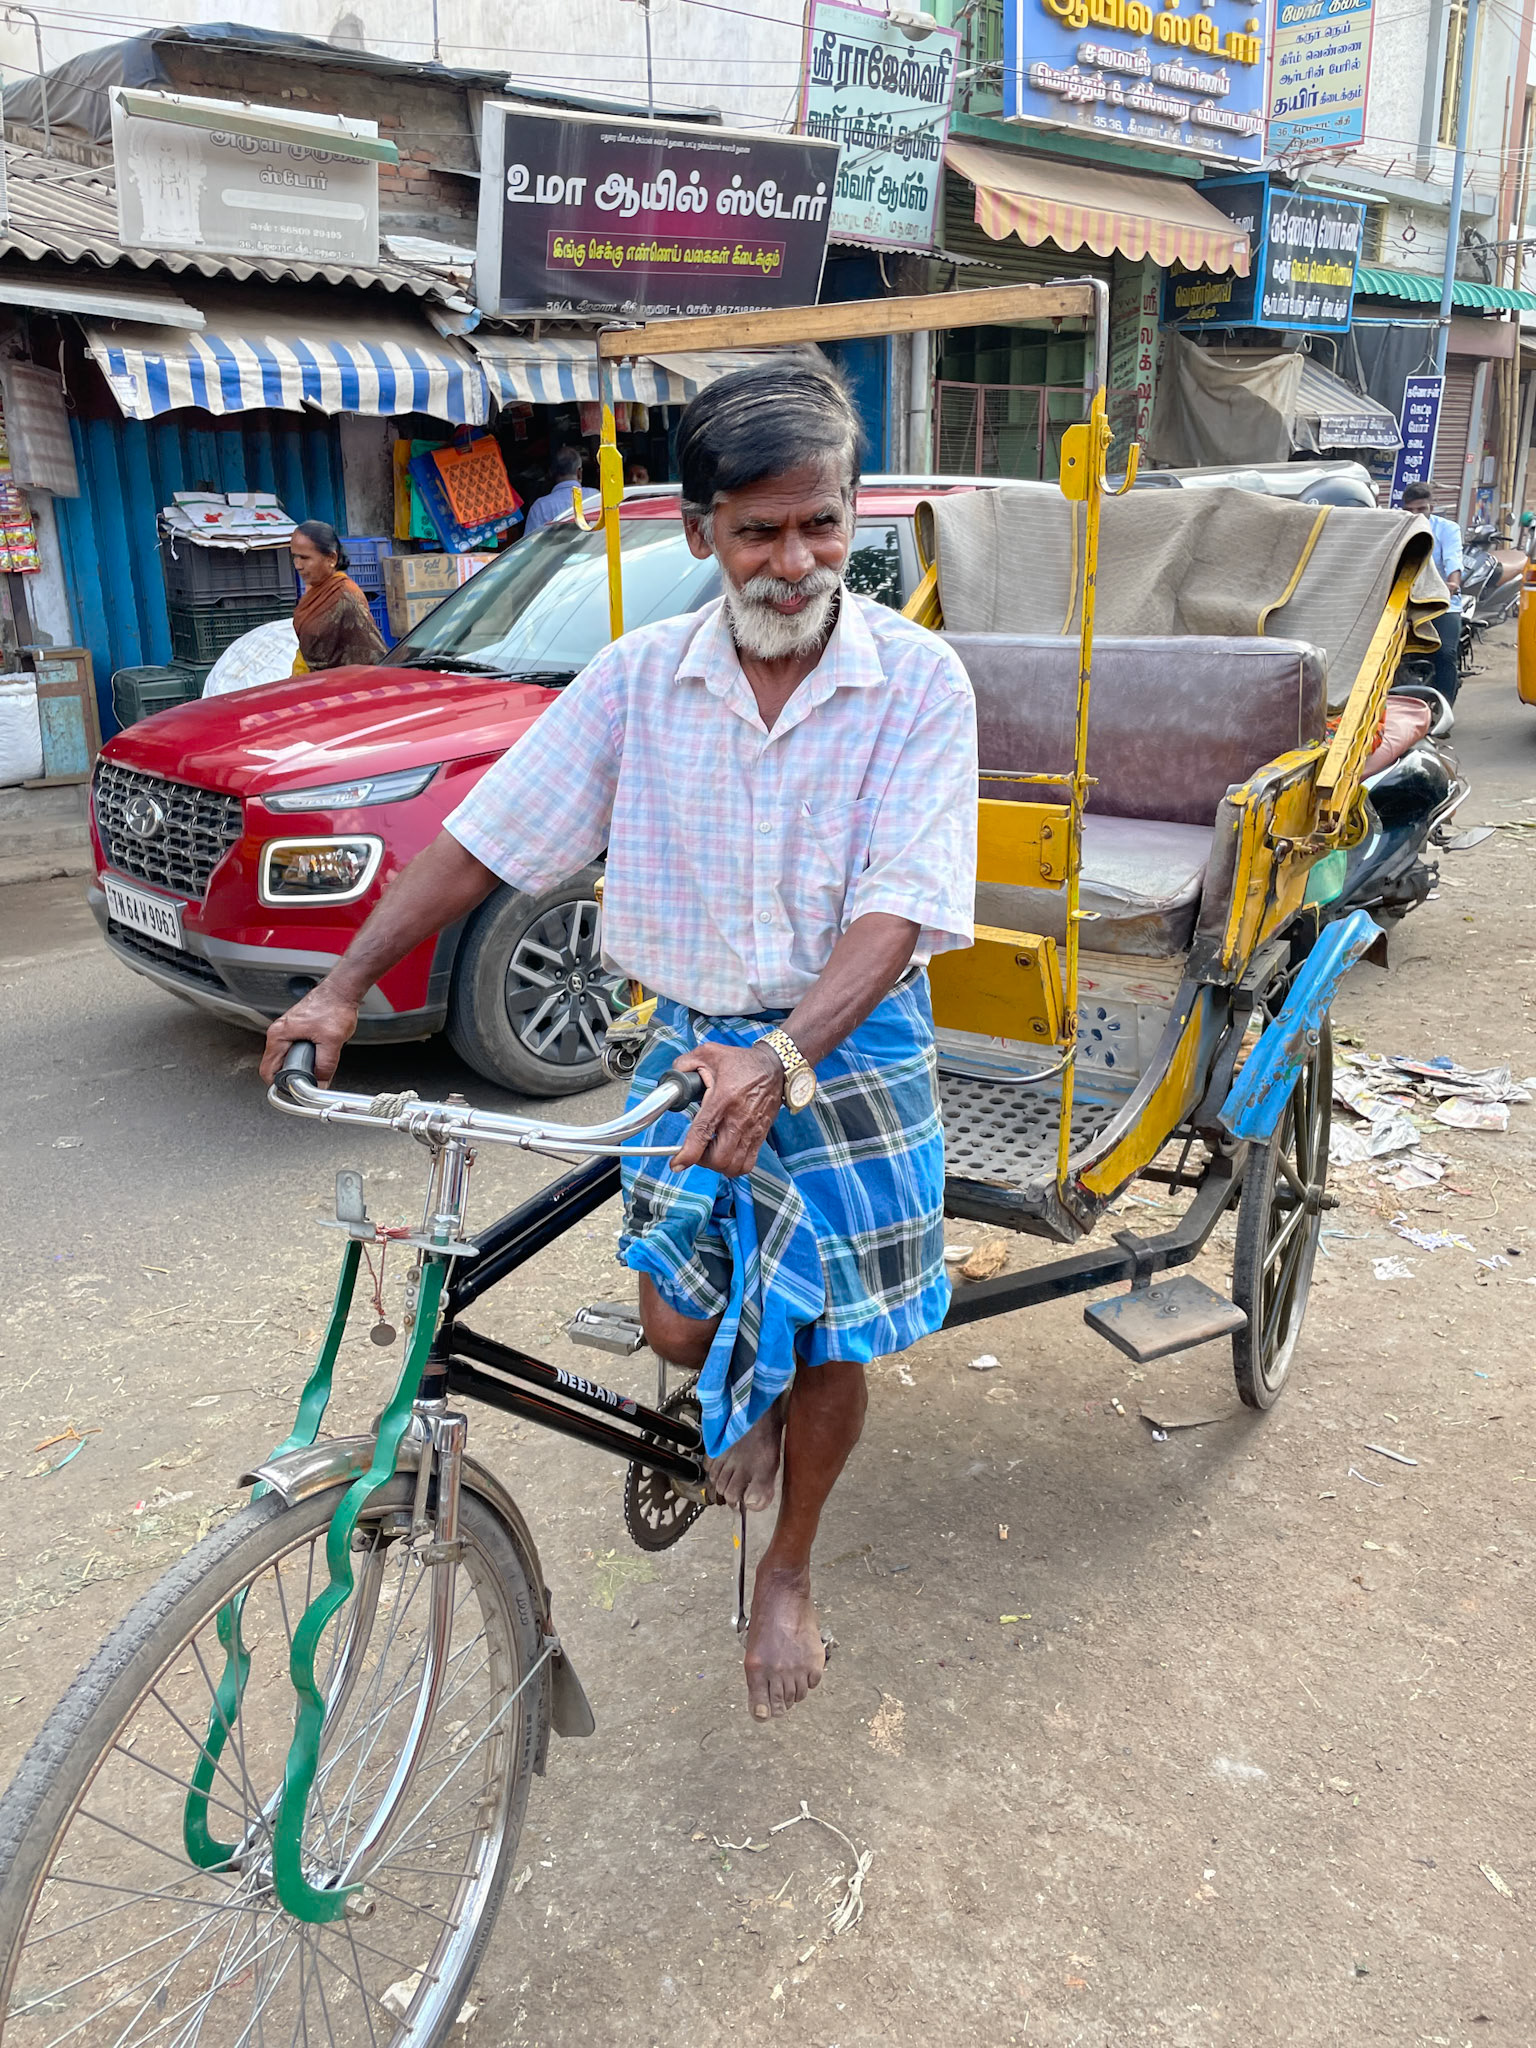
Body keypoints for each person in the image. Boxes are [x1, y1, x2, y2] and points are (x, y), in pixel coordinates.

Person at [260, 360, 978, 1723]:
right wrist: (342, 984)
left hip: (852, 1040)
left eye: (819, 524)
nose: (793, 559)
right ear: (699, 531)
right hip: (692, 1038)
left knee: (825, 1341)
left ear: (850, 520)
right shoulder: (638, 677)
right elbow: (485, 840)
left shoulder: (917, 683)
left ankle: (789, 1564)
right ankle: (735, 1394)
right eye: (758, 530)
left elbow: (901, 909)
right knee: (673, 1311)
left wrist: (785, 1060)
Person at [288, 521, 388, 673]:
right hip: (307, 679)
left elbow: (371, 651)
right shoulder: (316, 589)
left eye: (305, 558)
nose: (298, 565)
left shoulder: (345, 596)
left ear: (331, 559)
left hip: (334, 685)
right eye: (295, 557)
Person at [1402, 481, 1462, 702]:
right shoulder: (1397, 527)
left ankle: (1443, 709)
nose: (1415, 515)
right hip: (1405, 603)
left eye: (1421, 509)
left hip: (1442, 602)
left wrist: (1453, 584)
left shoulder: (1447, 529)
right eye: (1409, 510)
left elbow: (1452, 559)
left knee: (1445, 654)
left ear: (1431, 508)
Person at [523, 448, 584, 534]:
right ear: (579, 473)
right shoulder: (597, 497)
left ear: (550, 473)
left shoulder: (540, 507)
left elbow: (529, 544)